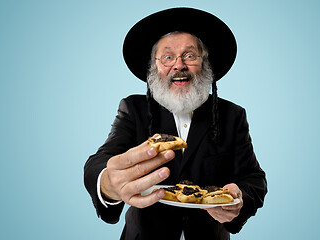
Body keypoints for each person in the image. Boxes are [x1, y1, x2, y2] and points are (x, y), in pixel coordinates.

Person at [84, 7, 267, 240]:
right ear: (154, 67)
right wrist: (109, 183)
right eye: (168, 57)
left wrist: (240, 199)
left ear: (205, 64)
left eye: (189, 56)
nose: (179, 65)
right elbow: (99, 161)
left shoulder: (232, 115)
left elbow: (254, 179)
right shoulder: (134, 109)